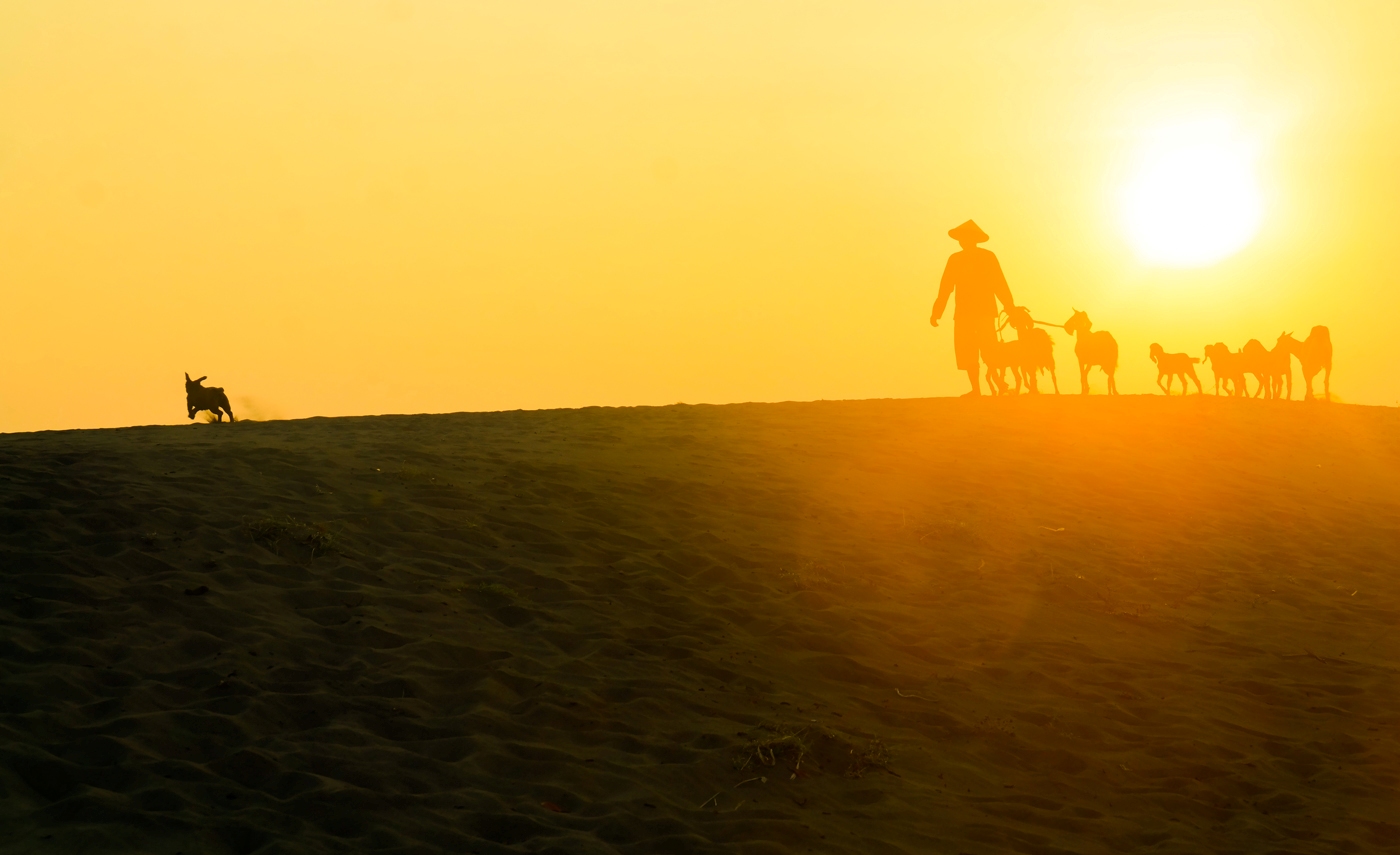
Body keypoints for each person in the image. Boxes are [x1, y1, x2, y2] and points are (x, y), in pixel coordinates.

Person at [930, 220, 1016, 396]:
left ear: (973, 239)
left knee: (988, 349)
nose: (963, 241)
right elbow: (945, 287)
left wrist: (1010, 307)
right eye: (962, 238)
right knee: (970, 350)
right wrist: (937, 311)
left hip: (980, 313)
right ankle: (979, 388)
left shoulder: (986, 257)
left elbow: (999, 284)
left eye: (965, 238)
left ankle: (995, 384)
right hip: (966, 313)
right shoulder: (957, 259)